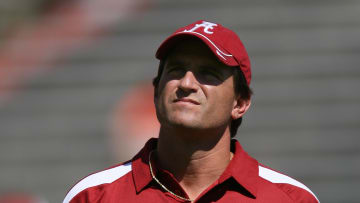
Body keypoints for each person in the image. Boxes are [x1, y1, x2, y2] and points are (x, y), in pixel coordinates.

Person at [63, 20, 320, 203]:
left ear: (240, 103)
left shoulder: (291, 198)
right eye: (176, 70)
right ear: (156, 90)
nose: (186, 83)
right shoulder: (93, 196)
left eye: (208, 73)